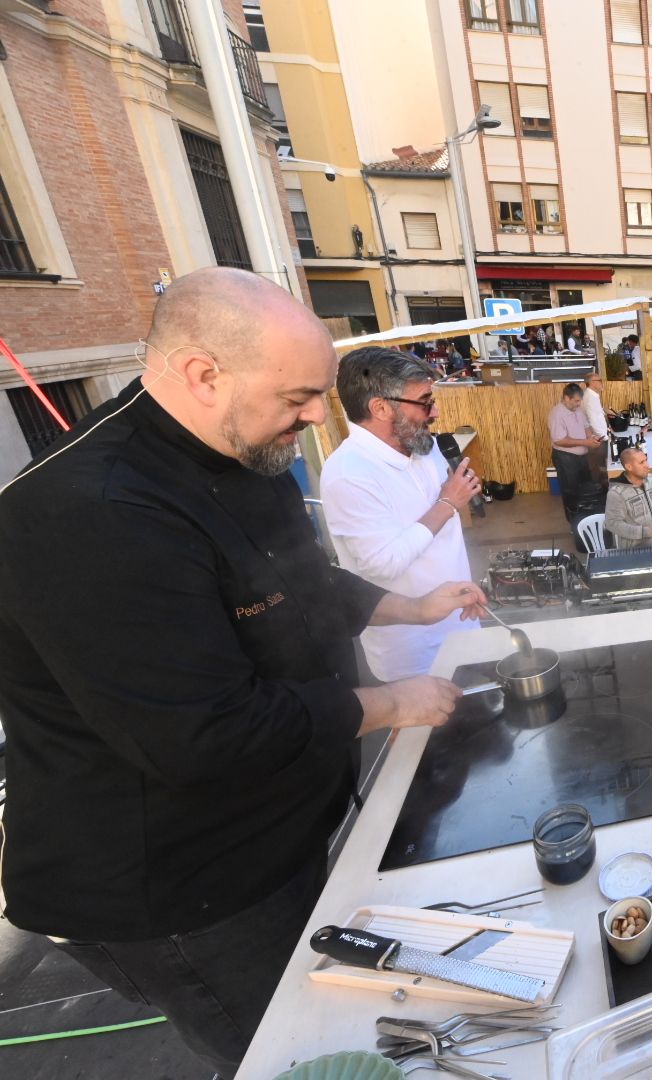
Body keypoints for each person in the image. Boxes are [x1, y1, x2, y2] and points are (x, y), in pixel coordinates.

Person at [0, 268, 480, 1076]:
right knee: (306, 1055)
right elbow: (206, 734)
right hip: (188, 890)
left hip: (281, 831)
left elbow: (296, 579)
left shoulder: (240, 447)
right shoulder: (93, 514)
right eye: (299, 396)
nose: (319, 416)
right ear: (202, 374)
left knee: (354, 1024)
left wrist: (412, 607)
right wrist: (391, 701)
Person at [321, 347, 481, 683]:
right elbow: (384, 563)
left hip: (462, 628)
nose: (435, 411)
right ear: (380, 407)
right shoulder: (348, 473)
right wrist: (447, 504)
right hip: (413, 656)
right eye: (424, 402)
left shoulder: (423, 446)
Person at [549, 382, 606, 533]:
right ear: (566, 398)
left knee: (586, 488)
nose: (579, 404)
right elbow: (559, 440)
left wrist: (591, 438)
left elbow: (586, 427)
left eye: (580, 401)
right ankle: (574, 525)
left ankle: (586, 519)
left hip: (582, 457)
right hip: (565, 458)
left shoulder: (578, 409)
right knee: (571, 491)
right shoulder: (557, 414)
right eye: (576, 401)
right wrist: (585, 442)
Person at [604, 445, 652, 549]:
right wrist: (643, 532)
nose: (647, 465)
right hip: (636, 552)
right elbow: (612, 523)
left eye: (646, 460)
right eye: (641, 462)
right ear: (629, 467)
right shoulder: (616, 494)